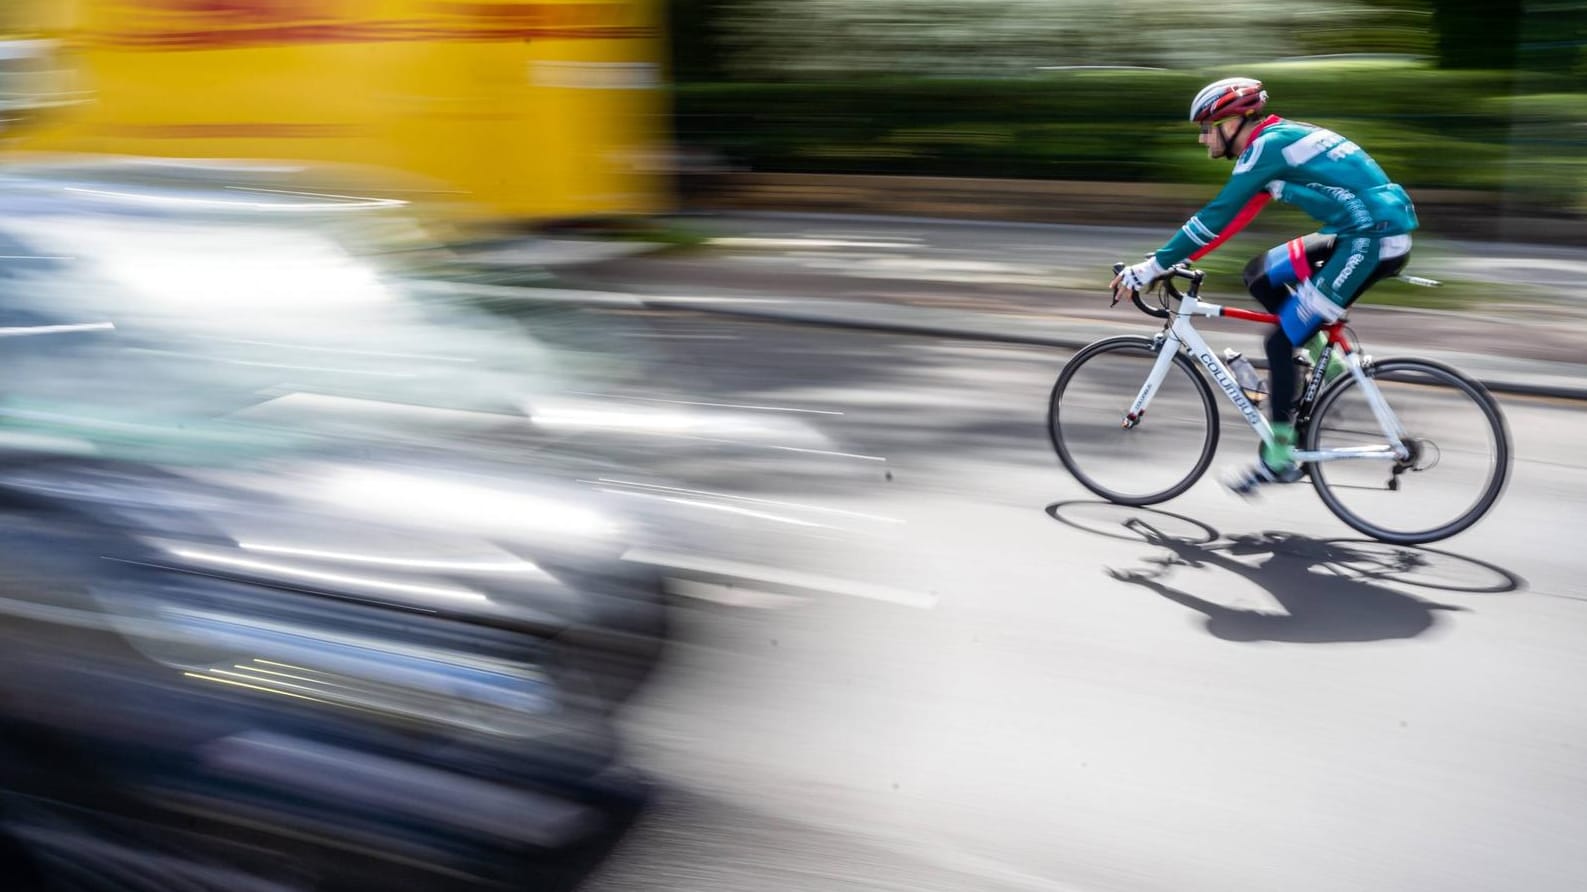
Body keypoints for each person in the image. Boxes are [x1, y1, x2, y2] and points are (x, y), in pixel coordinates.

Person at [1109, 76, 1419, 495]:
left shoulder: (1265, 148)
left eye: (1206, 128)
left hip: (1372, 240)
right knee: (1260, 273)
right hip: (1359, 230)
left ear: (1233, 121)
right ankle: (1330, 372)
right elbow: (1231, 221)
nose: (1204, 139)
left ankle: (1279, 457)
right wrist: (1170, 260)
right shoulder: (1274, 141)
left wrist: (1151, 267)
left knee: (1277, 342)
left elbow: (1216, 216)